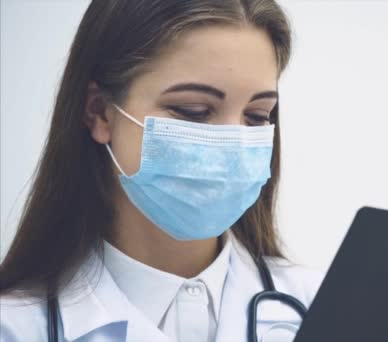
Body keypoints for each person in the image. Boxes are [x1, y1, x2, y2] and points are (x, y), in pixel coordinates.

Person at [0, 1, 323, 341]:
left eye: (257, 116)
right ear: (100, 113)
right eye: (193, 110)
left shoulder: (321, 307)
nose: (233, 144)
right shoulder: (14, 327)